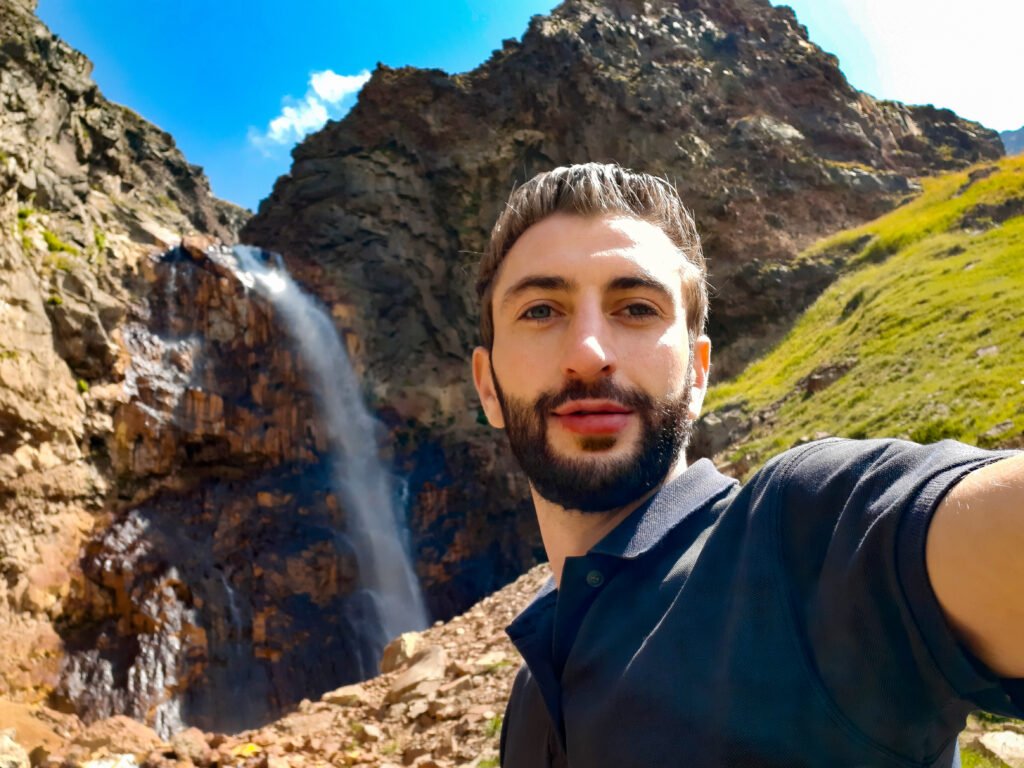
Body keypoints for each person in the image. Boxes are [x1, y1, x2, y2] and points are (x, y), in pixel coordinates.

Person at [470, 163, 1024, 767]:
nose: (588, 354)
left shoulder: (805, 538)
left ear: (699, 373)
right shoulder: (531, 694)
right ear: (488, 386)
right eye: (541, 311)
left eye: (636, 308)